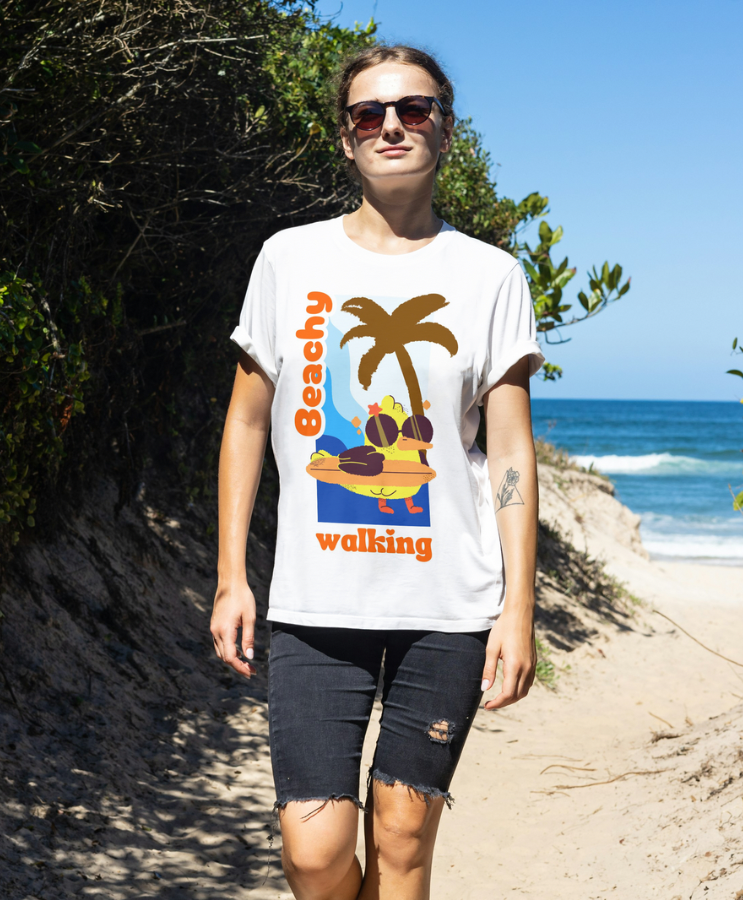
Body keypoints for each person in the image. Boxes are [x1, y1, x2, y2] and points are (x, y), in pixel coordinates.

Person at [209, 44, 543, 900]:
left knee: (401, 841)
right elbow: (247, 422)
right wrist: (230, 578)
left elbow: (507, 450)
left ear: (445, 128)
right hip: (315, 603)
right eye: (370, 113)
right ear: (345, 138)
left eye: (414, 108)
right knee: (315, 853)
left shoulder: (492, 276)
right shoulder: (290, 259)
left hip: (450, 607)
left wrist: (518, 608)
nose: (392, 124)